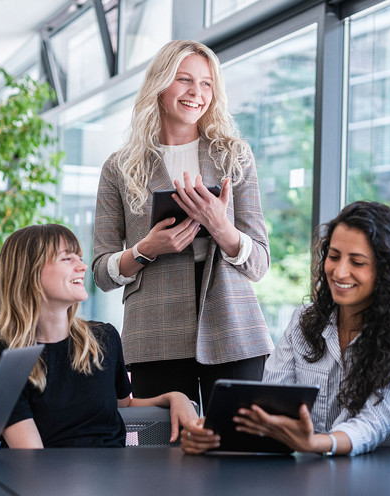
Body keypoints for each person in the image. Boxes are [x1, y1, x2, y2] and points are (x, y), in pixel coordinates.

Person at [92, 40, 272, 409]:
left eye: (207, 83)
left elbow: (260, 263)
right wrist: (145, 250)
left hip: (234, 326)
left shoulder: (234, 156)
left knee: (241, 450)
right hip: (154, 330)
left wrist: (222, 229)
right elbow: (101, 272)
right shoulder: (119, 167)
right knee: (165, 456)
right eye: (184, 80)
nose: (196, 93)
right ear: (160, 85)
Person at [180, 201, 390, 455]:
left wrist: (317, 444)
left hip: (380, 473)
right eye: (334, 257)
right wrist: (212, 432)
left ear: (385, 270)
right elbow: (270, 403)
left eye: (357, 262)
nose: (340, 272)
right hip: (308, 469)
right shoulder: (305, 320)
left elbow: (374, 422)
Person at [0, 224, 197, 448]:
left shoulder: (104, 339)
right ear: (29, 272)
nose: (82, 266)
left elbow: (122, 405)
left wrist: (174, 397)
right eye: (67, 259)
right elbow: (31, 458)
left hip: (114, 475)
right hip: (48, 480)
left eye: (79, 258)